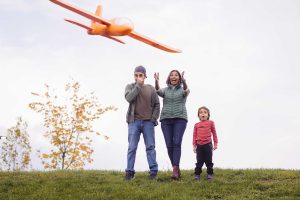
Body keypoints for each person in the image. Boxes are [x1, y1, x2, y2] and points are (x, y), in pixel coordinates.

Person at [124, 65, 160, 181]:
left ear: (145, 76)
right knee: (132, 148)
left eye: (141, 75)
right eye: (136, 75)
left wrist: (154, 119)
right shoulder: (130, 86)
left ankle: (153, 172)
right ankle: (129, 172)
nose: (138, 77)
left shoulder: (151, 89)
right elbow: (129, 98)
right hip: (134, 122)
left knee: (150, 147)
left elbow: (157, 104)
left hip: (148, 123)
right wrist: (138, 86)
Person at [154, 70, 190, 179]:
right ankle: (176, 169)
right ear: (169, 78)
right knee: (169, 145)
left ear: (179, 78)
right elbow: (158, 91)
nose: (173, 77)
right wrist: (156, 82)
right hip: (166, 119)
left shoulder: (183, 90)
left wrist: (184, 82)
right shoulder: (166, 90)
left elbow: (186, 91)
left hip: (180, 118)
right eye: (172, 75)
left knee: (177, 143)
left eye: (176, 75)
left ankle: (174, 169)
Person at [193, 106, 218, 181]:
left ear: (208, 115)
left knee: (208, 160)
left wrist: (216, 143)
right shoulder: (196, 125)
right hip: (199, 145)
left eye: (205, 112)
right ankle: (197, 174)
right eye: (201, 112)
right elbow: (194, 135)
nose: (203, 114)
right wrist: (194, 145)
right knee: (199, 161)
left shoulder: (211, 123)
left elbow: (214, 133)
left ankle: (210, 174)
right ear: (198, 115)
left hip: (208, 144)